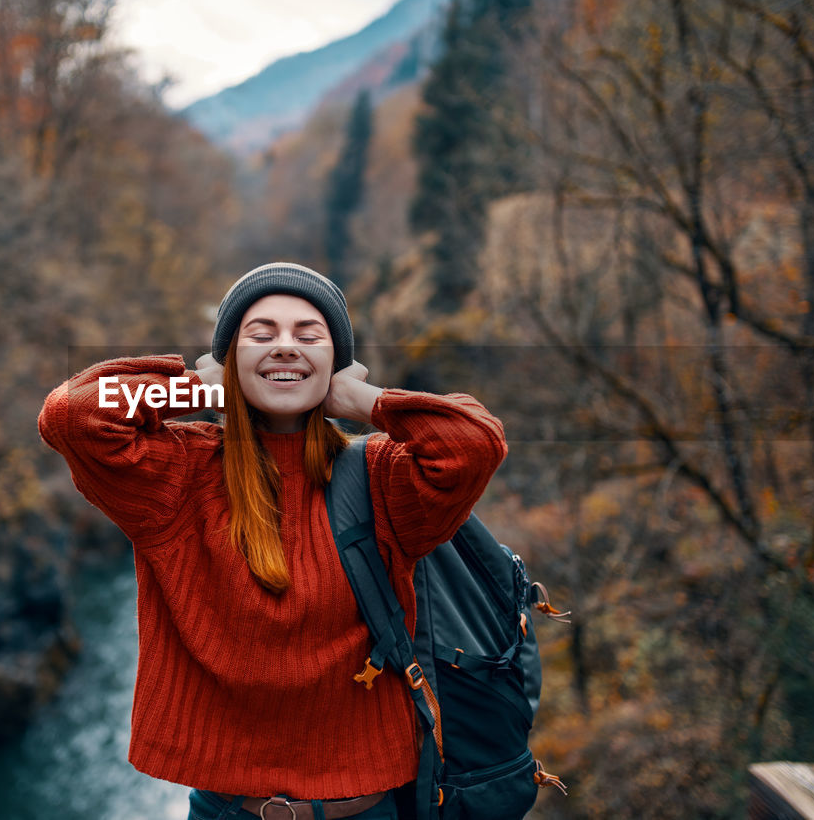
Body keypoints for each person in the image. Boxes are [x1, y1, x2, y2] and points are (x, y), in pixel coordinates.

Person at [37, 262, 508, 820]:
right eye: (260, 335)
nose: (285, 347)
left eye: (309, 336)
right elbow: (72, 414)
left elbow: (475, 442)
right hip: (226, 811)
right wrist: (194, 389)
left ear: (337, 361)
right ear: (229, 357)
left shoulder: (384, 479)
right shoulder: (176, 474)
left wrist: (361, 401)